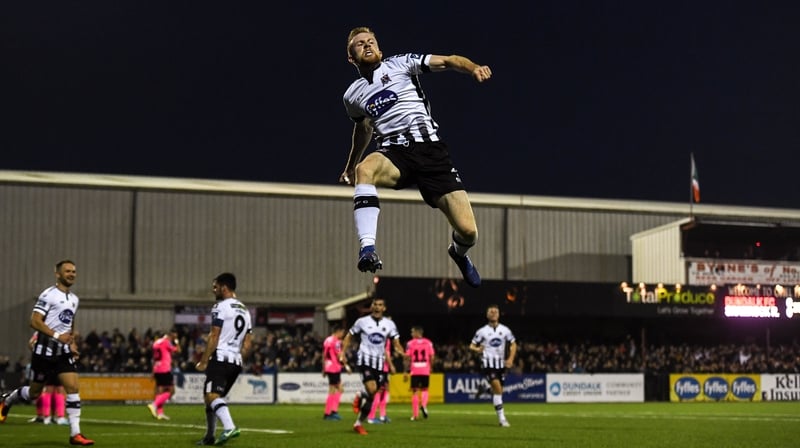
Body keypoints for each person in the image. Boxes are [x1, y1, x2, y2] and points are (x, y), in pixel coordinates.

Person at [339, 26, 490, 288]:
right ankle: (367, 249)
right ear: (351, 57)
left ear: (380, 48)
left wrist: (473, 68)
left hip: (431, 152)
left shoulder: (401, 63)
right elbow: (363, 129)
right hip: (395, 152)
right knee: (365, 170)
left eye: (371, 41)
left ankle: (458, 253)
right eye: (360, 44)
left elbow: (449, 60)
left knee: (468, 233)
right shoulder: (352, 95)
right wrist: (351, 165)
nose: (367, 45)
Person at [0, 260, 94, 445]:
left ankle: (75, 434)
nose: (71, 274)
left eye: (74, 271)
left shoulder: (74, 299)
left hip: (63, 353)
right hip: (43, 353)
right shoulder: (48, 295)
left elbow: (70, 322)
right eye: (67, 271)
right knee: (34, 393)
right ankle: (7, 400)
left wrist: (72, 343)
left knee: (73, 388)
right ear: (57, 274)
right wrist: (57, 336)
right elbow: (34, 321)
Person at [194, 273, 253, 446]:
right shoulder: (245, 310)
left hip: (220, 357)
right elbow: (247, 344)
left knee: (212, 396)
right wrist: (239, 360)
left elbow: (214, 335)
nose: (213, 290)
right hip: (235, 361)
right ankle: (209, 436)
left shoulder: (220, 307)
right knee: (210, 397)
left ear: (224, 287)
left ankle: (229, 427)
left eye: (215, 287)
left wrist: (204, 361)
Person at [338, 298, 405, 435]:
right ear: (371, 307)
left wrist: (402, 352)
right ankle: (361, 395)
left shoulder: (390, 324)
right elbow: (349, 336)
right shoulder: (362, 321)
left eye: (380, 305)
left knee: (373, 396)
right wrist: (342, 352)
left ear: (384, 308)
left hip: (379, 363)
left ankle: (358, 423)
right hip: (365, 359)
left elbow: (396, 342)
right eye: (375, 304)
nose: (377, 307)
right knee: (372, 388)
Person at [469, 304, 516, 427]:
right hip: (488, 364)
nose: (493, 313)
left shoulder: (505, 330)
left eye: (496, 311)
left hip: (501, 365)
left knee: (498, 391)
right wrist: (477, 349)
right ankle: (502, 419)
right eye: (491, 311)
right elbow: (472, 345)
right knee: (498, 390)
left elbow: (513, 344)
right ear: (487, 314)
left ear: (499, 314)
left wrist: (511, 358)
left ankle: (485, 389)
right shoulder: (482, 331)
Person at [26, 332, 68, 426]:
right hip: (55, 362)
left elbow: (31, 343)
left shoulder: (40, 332)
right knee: (56, 390)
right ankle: (57, 417)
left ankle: (45, 416)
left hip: (43, 361)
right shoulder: (59, 331)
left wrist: (38, 354)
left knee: (45, 389)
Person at [147, 328, 181, 421]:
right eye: (175, 335)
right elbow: (178, 350)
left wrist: (153, 372)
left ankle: (160, 413)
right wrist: (177, 342)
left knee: (160, 392)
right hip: (164, 369)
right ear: (171, 334)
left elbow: (155, 358)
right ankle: (154, 405)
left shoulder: (156, 342)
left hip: (157, 369)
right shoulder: (166, 342)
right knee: (171, 391)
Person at [406, 325, 435, 421]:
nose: (411, 334)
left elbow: (407, 357)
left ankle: (415, 415)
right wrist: (431, 367)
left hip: (415, 369)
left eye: (412, 332)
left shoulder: (410, 343)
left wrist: (406, 370)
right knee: (425, 389)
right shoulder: (428, 342)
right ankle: (423, 405)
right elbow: (432, 356)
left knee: (415, 391)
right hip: (425, 369)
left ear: (417, 333)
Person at [322, 325, 349, 421]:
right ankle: (328, 413)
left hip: (329, 367)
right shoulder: (336, 341)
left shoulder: (327, 340)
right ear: (338, 331)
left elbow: (324, 355)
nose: (343, 334)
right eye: (342, 332)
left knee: (339, 389)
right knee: (333, 390)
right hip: (334, 367)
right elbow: (339, 356)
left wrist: (324, 368)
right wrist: (346, 365)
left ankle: (333, 411)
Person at [366, 338, 395, 424]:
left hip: (382, 369)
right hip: (380, 369)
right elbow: (385, 353)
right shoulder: (382, 338)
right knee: (378, 392)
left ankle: (382, 415)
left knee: (384, 391)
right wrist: (391, 365)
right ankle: (371, 417)